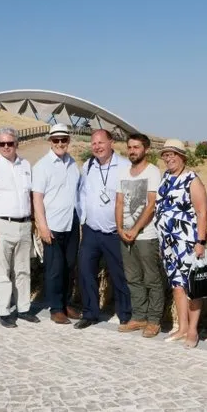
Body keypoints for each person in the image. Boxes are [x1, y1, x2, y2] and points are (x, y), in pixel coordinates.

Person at [73, 129, 132, 329]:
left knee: (119, 274)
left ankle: (125, 314)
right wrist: (83, 218)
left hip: (115, 232)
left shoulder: (124, 166)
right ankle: (90, 313)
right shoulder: (88, 166)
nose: (97, 147)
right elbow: (81, 194)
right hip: (91, 230)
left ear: (111, 143)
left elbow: (132, 199)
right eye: (93, 143)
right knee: (86, 271)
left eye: (101, 142)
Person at [0, 127, 39, 328]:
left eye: (10, 143)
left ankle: (23, 308)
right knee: (2, 270)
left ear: (17, 144)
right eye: (2, 143)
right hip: (2, 224)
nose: (6, 147)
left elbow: (30, 195)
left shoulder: (26, 165)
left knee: (23, 270)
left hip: (24, 224)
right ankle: (4, 311)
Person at [155, 139, 207, 348]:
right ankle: (182, 327)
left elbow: (202, 212)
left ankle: (193, 331)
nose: (169, 158)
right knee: (177, 286)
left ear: (182, 156)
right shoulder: (166, 177)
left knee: (192, 286)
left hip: (187, 242)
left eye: (173, 154)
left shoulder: (191, 179)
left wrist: (201, 241)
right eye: (166, 155)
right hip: (168, 244)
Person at [114, 133, 164, 338]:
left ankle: (154, 320)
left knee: (152, 278)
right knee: (133, 278)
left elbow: (151, 204)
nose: (132, 151)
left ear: (146, 149)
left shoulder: (152, 172)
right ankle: (139, 316)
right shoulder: (123, 172)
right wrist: (119, 227)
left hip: (146, 235)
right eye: (130, 147)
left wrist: (136, 229)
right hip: (124, 234)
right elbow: (119, 202)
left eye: (136, 147)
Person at [32, 123, 82, 324]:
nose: (60, 143)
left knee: (70, 266)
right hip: (52, 224)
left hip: (71, 221)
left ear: (68, 140)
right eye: (56, 140)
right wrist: (42, 226)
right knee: (54, 268)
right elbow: (37, 198)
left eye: (63, 139)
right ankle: (55, 308)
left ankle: (65, 302)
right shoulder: (42, 166)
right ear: (50, 141)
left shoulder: (72, 164)